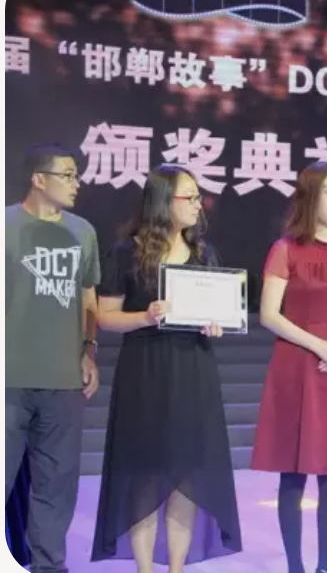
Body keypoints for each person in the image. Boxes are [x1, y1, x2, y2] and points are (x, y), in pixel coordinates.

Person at [90, 164, 242, 572]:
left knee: (186, 477)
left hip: (194, 371)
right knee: (144, 473)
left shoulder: (204, 254)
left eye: (198, 196)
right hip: (145, 371)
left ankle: (176, 567)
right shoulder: (127, 252)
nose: (198, 204)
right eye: (188, 196)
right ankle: (144, 567)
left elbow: (219, 313)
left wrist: (215, 324)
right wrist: (145, 316)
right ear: (162, 201)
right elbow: (105, 316)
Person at [252, 161, 327, 573]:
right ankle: (295, 566)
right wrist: (320, 346)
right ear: (309, 197)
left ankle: (325, 566)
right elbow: (269, 314)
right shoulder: (285, 248)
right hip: (297, 366)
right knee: (293, 472)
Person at [5, 143, 101, 573]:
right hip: (9, 378)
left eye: (76, 175)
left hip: (63, 380)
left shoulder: (83, 232)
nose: (76, 183)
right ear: (38, 179)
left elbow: (89, 299)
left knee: (56, 487)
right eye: (67, 175)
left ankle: (49, 565)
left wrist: (88, 349)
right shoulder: (6, 226)